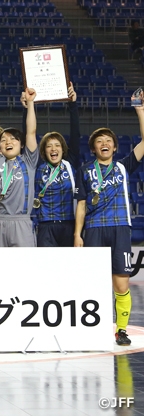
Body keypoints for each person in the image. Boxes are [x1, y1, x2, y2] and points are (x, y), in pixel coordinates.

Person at [74, 100, 144, 346]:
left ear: (115, 147)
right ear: (93, 148)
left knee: (121, 281)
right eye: (99, 142)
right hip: (93, 229)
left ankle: (121, 330)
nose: (104, 144)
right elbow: (81, 204)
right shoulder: (84, 170)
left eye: (108, 141)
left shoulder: (124, 167)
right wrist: (77, 235)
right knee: (92, 281)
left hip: (120, 229)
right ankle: (92, 327)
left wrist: (139, 110)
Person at [0, 90, 38, 247]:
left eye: (13, 139)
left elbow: (31, 132)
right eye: (4, 140)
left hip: (21, 222)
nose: (8, 142)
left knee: (24, 269)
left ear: (21, 145)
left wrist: (31, 103)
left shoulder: (28, 161)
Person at [34, 84, 80, 247]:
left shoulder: (70, 164)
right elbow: (29, 137)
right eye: (49, 146)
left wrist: (72, 104)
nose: (53, 149)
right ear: (44, 151)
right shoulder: (39, 166)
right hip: (45, 225)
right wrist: (28, 107)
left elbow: (75, 135)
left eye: (57, 145)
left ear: (63, 148)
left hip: (69, 224)